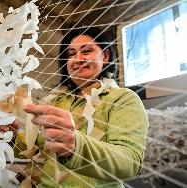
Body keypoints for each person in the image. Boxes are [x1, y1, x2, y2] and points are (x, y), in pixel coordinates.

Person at [9, 27, 148, 187]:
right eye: (71, 54)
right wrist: (11, 137)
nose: (78, 59)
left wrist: (76, 146)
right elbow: (36, 147)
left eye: (87, 51)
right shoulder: (54, 101)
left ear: (106, 56)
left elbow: (131, 162)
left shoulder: (123, 98)